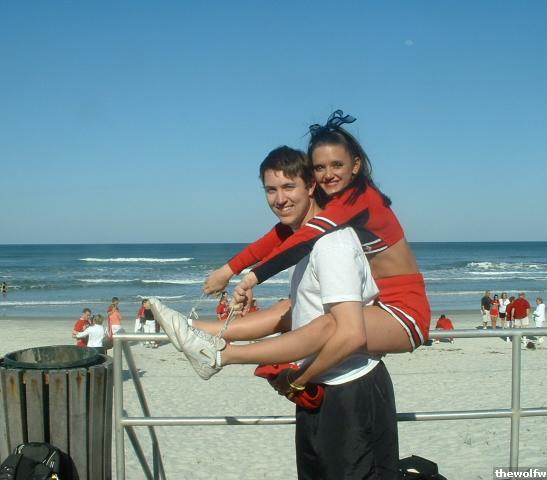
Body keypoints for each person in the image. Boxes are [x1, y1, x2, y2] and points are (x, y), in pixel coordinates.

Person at [157, 145, 399, 477]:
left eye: (288, 187)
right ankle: (209, 343)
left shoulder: (333, 244)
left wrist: (296, 380)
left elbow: (349, 333)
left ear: (310, 186)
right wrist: (198, 327)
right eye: (271, 190)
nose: (279, 199)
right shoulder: (303, 244)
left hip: (350, 392)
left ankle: (220, 355)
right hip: (319, 390)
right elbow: (291, 312)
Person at [204, 110, 430, 354]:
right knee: (290, 307)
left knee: (320, 324)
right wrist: (228, 270)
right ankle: (200, 330)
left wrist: (251, 278)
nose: (329, 174)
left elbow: (303, 239)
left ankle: (229, 355)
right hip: (374, 303)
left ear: (355, 165)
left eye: (337, 165)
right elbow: (279, 235)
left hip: (403, 312)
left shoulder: (359, 198)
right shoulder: (334, 199)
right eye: (320, 167)